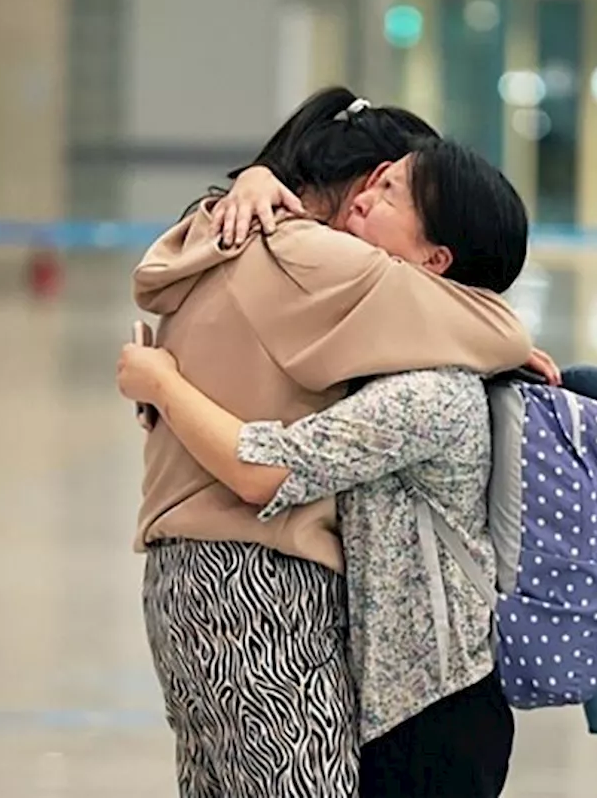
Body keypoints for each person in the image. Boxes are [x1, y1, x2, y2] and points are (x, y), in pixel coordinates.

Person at [117, 88, 543, 798]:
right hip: (262, 584)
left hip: (176, 579)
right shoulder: (322, 263)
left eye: (395, 191)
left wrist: (255, 178)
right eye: (383, 181)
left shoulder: (217, 235)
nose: (371, 203)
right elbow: (503, 331)